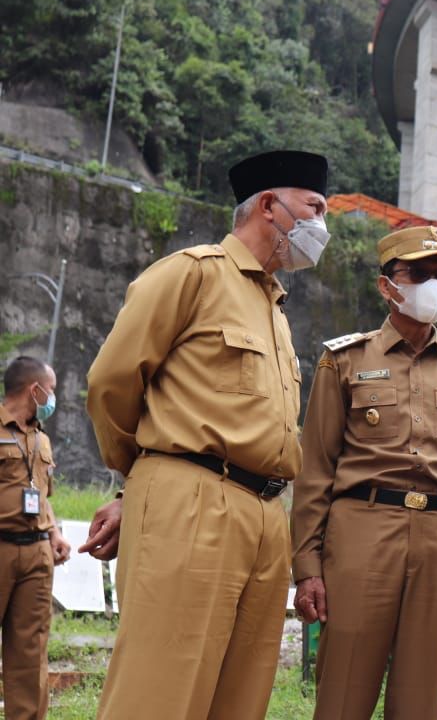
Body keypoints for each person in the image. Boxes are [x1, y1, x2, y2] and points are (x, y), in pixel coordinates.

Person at [81, 150, 330, 720]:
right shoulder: (192, 274)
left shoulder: (276, 309)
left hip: (267, 516)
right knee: (160, 689)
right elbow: (111, 383)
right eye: (314, 209)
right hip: (194, 504)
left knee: (241, 695)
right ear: (270, 205)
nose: (323, 228)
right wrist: (142, 479)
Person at [291, 225, 437, 720]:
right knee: (343, 691)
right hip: (361, 531)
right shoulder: (342, 361)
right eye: (419, 273)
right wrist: (307, 567)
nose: (434, 285)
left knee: (421, 698)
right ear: (387, 285)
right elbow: (315, 470)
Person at [0, 357, 71, 720]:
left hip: (37, 554)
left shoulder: (41, 438)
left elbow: (41, 494)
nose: (53, 398)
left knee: (30, 651)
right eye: (52, 390)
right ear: (35, 389)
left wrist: (55, 533)